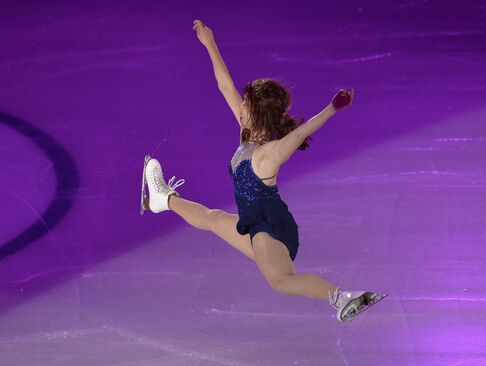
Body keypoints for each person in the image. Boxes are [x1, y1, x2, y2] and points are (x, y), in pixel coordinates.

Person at [140, 20, 385, 323]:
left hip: (269, 227)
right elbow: (225, 86)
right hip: (255, 223)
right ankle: (162, 199)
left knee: (282, 282)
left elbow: (296, 137)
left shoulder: (268, 153)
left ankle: (341, 297)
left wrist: (331, 109)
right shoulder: (246, 132)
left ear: (257, 113)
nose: (240, 105)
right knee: (213, 218)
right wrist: (210, 45)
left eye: (246, 103)